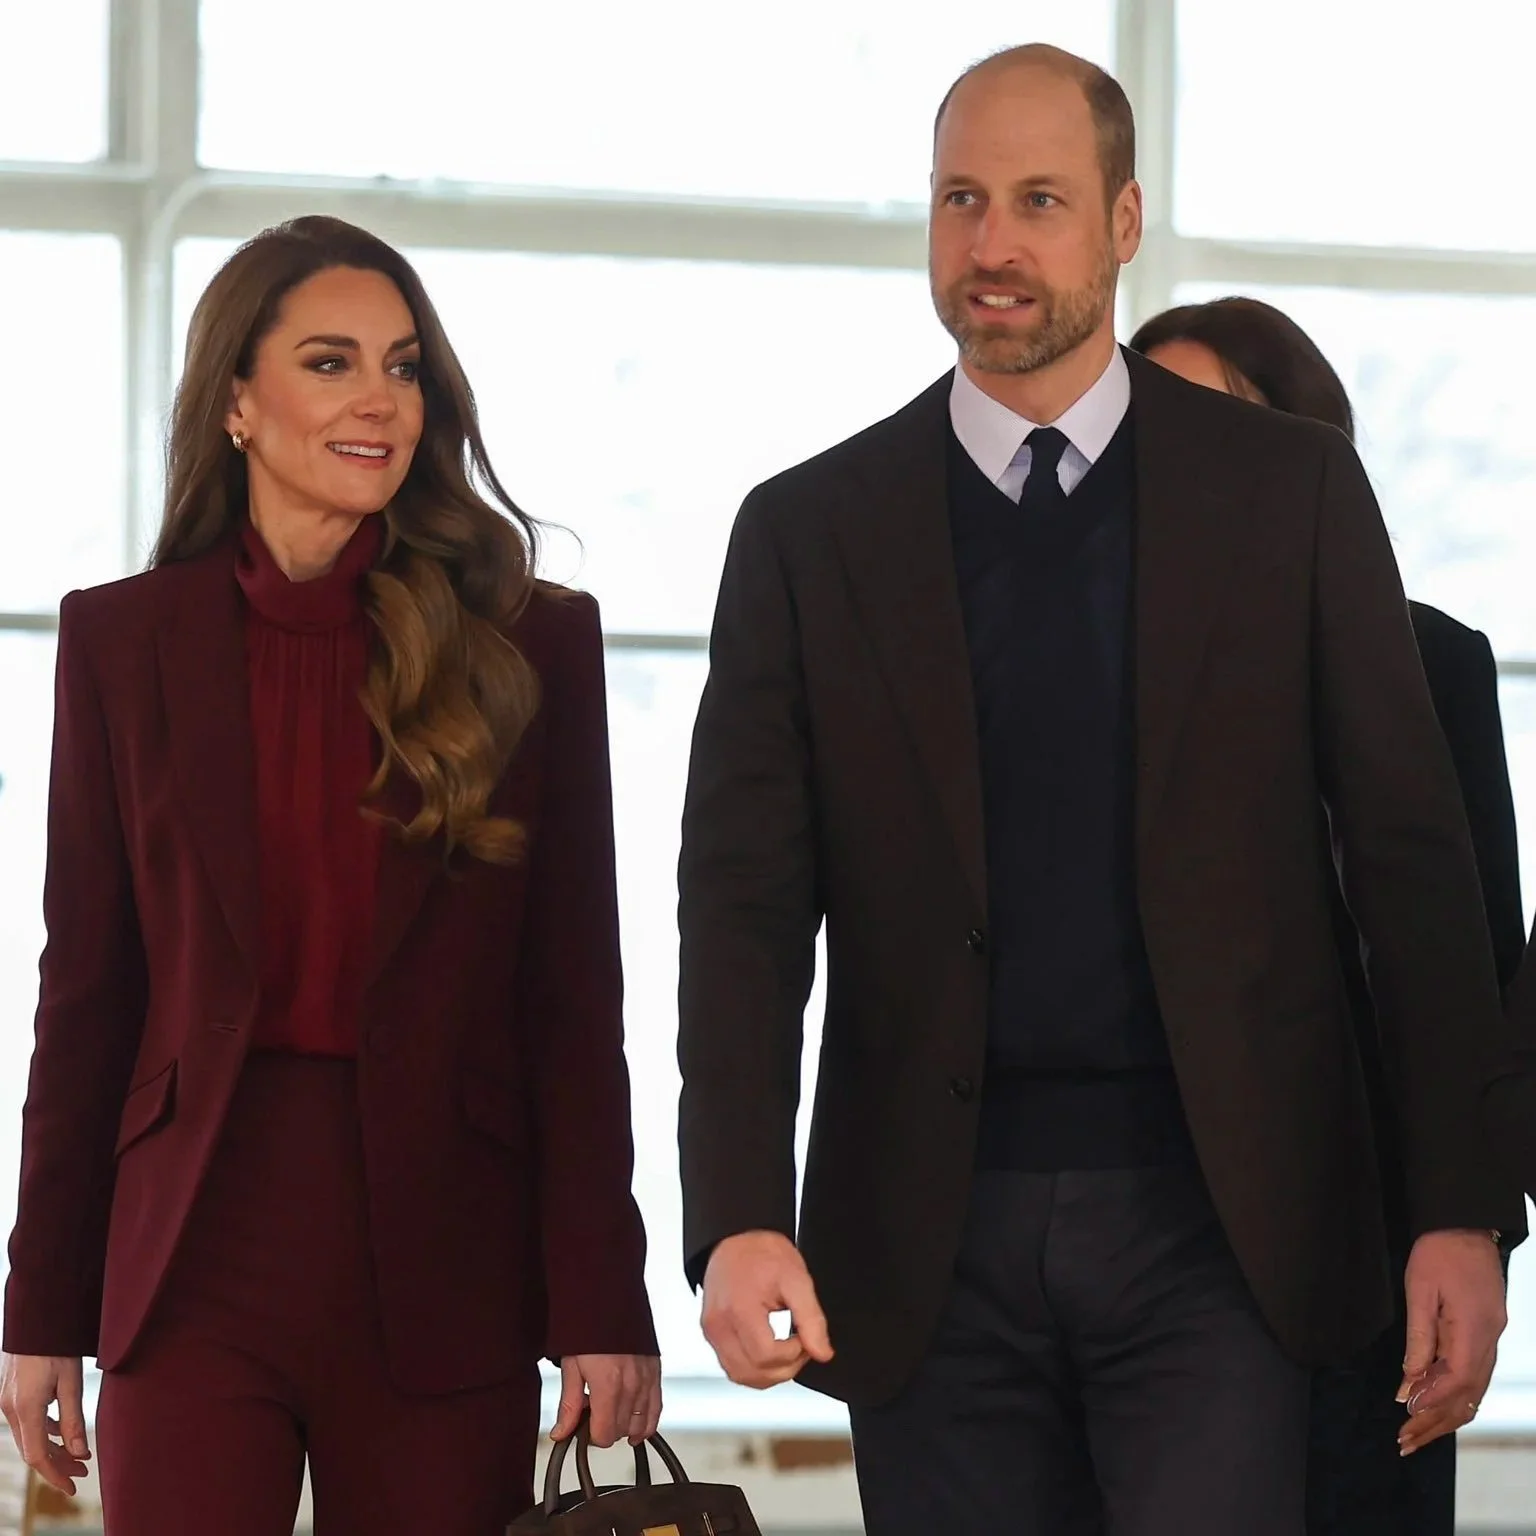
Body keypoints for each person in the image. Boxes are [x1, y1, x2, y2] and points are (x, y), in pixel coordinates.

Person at [676, 43, 1521, 1536]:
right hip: (927, 1243)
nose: (993, 245)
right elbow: (742, 908)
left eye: (1039, 202)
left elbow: (1414, 868)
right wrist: (739, 1212)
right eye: (960, 200)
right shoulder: (808, 532)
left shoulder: (1290, 493)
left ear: (1124, 223)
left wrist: (1462, 1211)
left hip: (1223, 1228)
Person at [0, 215, 660, 1536]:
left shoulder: (531, 643)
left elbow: (573, 1006)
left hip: (443, 1258)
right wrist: (39, 1314)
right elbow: (88, 995)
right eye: (330, 361)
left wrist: (601, 1302)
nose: (379, 400)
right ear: (237, 399)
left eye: (404, 367)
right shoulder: (122, 643)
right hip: (192, 1260)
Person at [1130, 295, 1524, 1536]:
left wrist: (1474, 1230)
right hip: (1131, 1239)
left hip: (1364, 1252)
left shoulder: (1428, 661)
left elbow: (1481, 974)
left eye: (1214, 423)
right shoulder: (1070, 671)